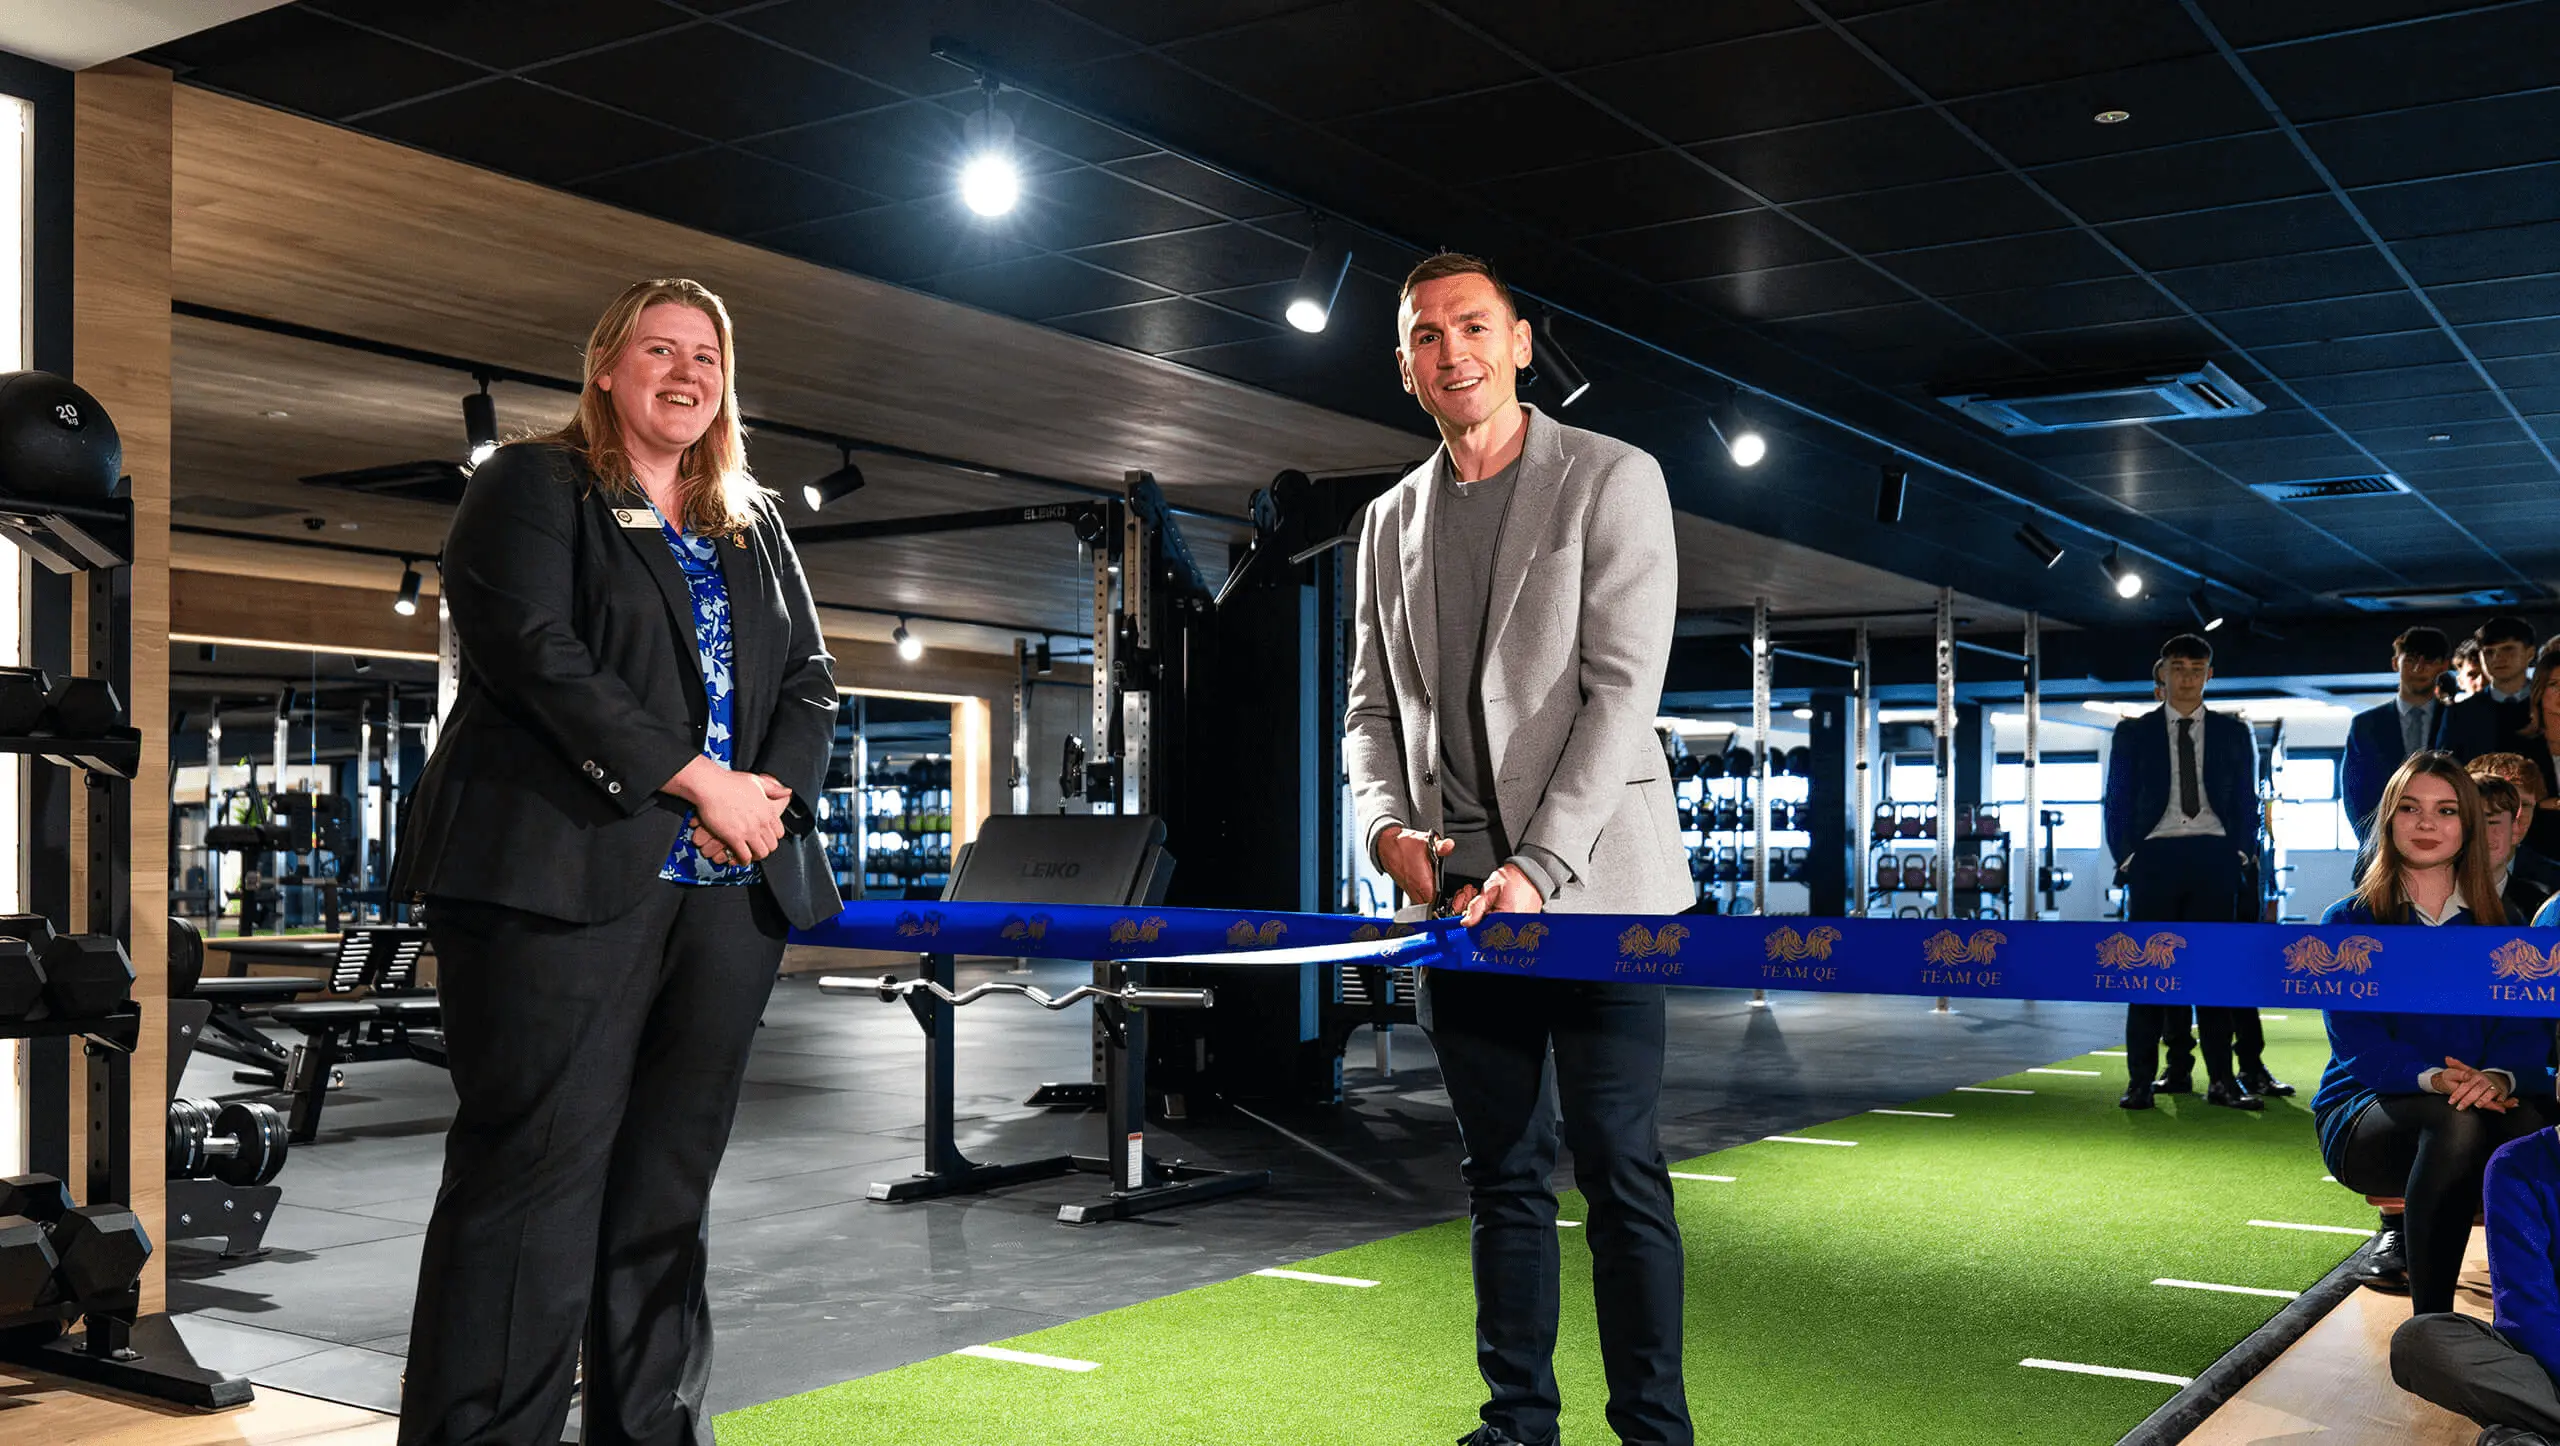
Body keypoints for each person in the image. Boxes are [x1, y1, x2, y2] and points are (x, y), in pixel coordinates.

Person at [390, 279, 842, 1446]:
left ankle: (648, 1432)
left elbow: (808, 680)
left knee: (664, 1196)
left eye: (707, 355)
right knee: (531, 1186)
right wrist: (697, 782)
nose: (687, 372)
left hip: (728, 891)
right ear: (606, 365)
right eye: (660, 349)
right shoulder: (532, 486)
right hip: (557, 878)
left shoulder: (751, 515)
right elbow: (536, 654)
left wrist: (763, 801)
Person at [1347, 252, 1692, 1446]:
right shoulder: (1386, 521)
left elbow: (1618, 698)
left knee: (1619, 1171)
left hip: (1599, 892)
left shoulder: (1613, 478)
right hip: (1454, 902)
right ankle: (1517, 1425)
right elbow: (1368, 712)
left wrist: (1536, 868)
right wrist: (1385, 825)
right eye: (1428, 336)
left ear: (1522, 342)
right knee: (1499, 1173)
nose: (1455, 352)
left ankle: (1653, 1430)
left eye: (1475, 327)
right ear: (1405, 366)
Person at [2313, 753, 2560, 1319]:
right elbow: (2356, 1041)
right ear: (2388, 821)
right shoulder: (2348, 921)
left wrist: (2495, 1076)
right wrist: (2433, 1077)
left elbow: (2523, 1031)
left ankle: (2535, 1320)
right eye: (2410, 808)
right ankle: (2432, 1322)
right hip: (2368, 1108)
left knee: (2531, 1124)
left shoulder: (2504, 924)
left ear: (2468, 825)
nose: (2426, 824)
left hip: (2480, 1096)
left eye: (2445, 810)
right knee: (2455, 1117)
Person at [2103, 634, 2267, 1110]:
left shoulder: (2233, 732)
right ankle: (2139, 1081)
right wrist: (2127, 858)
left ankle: (2222, 1080)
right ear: (2163, 673)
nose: (2188, 678)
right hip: (2154, 857)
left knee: (2213, 972)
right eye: (2178, 668)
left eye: (2197, 669)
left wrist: (2241, 852)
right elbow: (2116, 799)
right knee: (2147, 973)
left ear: (2209, 675)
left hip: (2215, 857)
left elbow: (2245, 799)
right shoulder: (2133, 733)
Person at [2393, 1124, 2560, 1446]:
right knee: (2419, 1339)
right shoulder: (2517, 1163)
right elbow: (2526, 1308)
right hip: (2548, 1350)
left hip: (2541, 1389)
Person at [2344, 627, 2452, 842]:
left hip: (2447, 842)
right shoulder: (2366, 725)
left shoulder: (2459, 719)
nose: (2419, 668)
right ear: (2396, 663)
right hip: (2381, 842)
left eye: (2429, 661)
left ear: (2443, 666)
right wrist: (2373, 842)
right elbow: (2354, 792)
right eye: (2410, 660)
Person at [2439, 616, 2539, 762]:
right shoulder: (2460, 714)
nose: (2498, 657)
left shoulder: (2549, 704)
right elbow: (2446, 770)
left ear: (2530, 653)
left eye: (2507, 649)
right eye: (2489, 652)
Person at [2475, 772, 2556, 924]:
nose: (2482, 833)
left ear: (2515, 829)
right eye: (2473, 823)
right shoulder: (2424, 903)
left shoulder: (2543, 909)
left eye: (2493, 822)